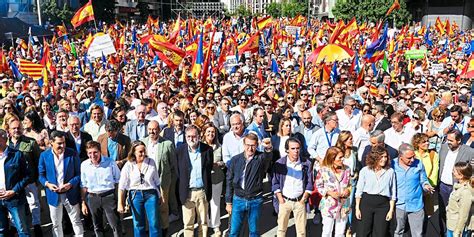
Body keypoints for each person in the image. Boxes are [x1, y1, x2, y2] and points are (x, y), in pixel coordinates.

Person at [225, 133, 273, 236]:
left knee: (254, 231)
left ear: (257, 145)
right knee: (233, 232)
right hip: (238, 199)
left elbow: (268, 157)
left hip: (255, 200)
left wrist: (268, 147)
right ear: (243, 144)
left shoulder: (260, 158)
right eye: (247, 145)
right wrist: (228, 202)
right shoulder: (235, 160)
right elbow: (229, 181)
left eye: (253, 145)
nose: (250, 148)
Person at [38, 130, 84, 237]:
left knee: (76, 221)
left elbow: (79, 174)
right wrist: (48, 184)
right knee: (56, 224)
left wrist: (70, 184)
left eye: (64, 143)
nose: (62, 145)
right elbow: (41, 175)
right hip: (53, 194)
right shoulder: (44, 156)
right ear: (51, 143)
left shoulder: (72, 153)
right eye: (59, 143)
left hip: (70, 193)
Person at [6, 117, 43, 235]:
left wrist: (37, 179)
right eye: (14, 128)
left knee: (34, 204)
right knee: (14, 205)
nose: (16, 130)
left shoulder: (31, 142)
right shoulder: (5, 144)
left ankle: (36, 225)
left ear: (22, 128)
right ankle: (13, 226)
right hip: (12, 182)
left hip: (29, 179)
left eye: (18, 128)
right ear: (9, 130)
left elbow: (38, 162)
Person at [117, 140, 162, 237]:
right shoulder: (129, 165)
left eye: (144, 151)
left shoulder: (151, 162)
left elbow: (157, 181)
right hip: (135, 195)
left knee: (154, 222)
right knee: (138, 224)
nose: (143, 153)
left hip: (151, 194)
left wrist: (161, 196)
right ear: (134, 152)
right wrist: (120, 203)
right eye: (140, 152)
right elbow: (122, 185)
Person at [176, 125, 213, 237]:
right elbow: (178, 173)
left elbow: (208, 168)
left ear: (199, 136)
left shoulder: (207, 150)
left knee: (203, 223)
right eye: (188, 137)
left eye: (194, 136)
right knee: (188, 224)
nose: (191, 139)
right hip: (187, 192)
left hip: (202, 192)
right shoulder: (179, 151)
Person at [141, 120, 176, 236]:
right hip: (146, 182)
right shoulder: (142, 143)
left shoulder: (167, 144)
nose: (152, 132)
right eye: (150, 129)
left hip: (162, 181)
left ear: (159, 130)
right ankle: (148, 230)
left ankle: (164, 229)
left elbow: (172, 164)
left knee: (163, 207)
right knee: (148, 208)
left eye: (155, 129)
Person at [272, 138, 313, 237]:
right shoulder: (280, 163)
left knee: (301, 232)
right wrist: (280, 199)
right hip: (285, 201)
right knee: (281, 229)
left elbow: (309, 183)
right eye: (293, 148)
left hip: (300, 201)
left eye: (298, 148)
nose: (296, 151)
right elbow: (275, 182)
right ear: (287, 150)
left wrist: (303, 199)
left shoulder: (306, 163)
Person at [80, 141, 122, 237]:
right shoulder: (84, 165)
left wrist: (118, 199)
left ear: (100, 152)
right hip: (93, 198)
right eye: (89, 153)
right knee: (97, 226)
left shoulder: (110, 162)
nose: (93, 155)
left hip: (109, 197)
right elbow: (83, 185)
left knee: (115, 225)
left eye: (95, 152)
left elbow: (118, 180)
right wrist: (83, 203)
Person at [392, 143, 434, 237]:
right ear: (400, 156)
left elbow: (423, 179)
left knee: (417, 233)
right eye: (409, 158)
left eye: (413, 156)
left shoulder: (418, 164)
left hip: (416, 204)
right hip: (399, 205)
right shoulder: (392, 164)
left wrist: (426, 185)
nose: (412, 160)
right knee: (398, 231)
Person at [355, 145, 396, 237]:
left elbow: (393, 192)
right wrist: (357, 208)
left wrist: (391, 210)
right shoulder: (365, 171)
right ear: (374, 157)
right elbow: (359, 191)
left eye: (385, 157)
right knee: (363, 232)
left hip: (383, 205)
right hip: (366, 203)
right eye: (381, 157)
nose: (384, 159)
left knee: (380, 233)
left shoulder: (390, 171)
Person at [438, 129, 474, 233]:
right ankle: (444, 232)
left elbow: (472, 171)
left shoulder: (469, 152)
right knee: (443, 212)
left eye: (451, 140)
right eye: (447, 139)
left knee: (458, 213)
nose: (448, 142)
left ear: (459, 141)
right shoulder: (444, 147)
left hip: (459, 188)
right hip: (443, 186)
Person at [0, 129, 32, 236]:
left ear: (5, 140)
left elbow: (27, 176)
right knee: (1, 231)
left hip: (14, 199)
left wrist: (14, 190)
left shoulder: (17, 155)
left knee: (22, 230)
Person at [316, 147, 352, 237]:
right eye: (340, 157)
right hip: (329, 206)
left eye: (342, 156)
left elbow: (350, 184)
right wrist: (329, 193)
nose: (342, 159)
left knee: (340, 233)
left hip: (344, 206)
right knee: (327, 232)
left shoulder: (347, 169)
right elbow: (319, 186)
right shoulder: (323, 170)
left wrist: (348, 190)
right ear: (332, 158)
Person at [201, 123, 225, 236]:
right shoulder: (200, 147)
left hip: (217, 178)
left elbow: (225, 162)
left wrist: (219, 164)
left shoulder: (219, 147)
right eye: (208, 132)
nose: (211, 134)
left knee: (215, 203)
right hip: (203, 179)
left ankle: (215, 225)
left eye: (213, 132)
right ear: (204, 133)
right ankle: (205, 225)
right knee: (204, 203)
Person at [412, 133, 439, 216]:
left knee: (427, 212)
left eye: (428, 141)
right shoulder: (413, 154)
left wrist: (429, 186)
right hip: (415, 188)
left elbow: (435, 171)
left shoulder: (433, 154)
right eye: (423, 142)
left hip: (427, 188)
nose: (427, 143)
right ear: (417, 144)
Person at [446, 161, 473, 237]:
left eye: (454, 171)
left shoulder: (465, 192)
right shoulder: (459, 186)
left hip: (456, 228)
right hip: (451, 224)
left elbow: (464, 215)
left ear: (461, 176)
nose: (452, 172)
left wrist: (457, 232)